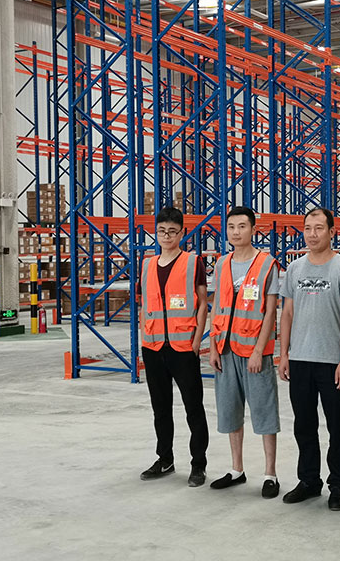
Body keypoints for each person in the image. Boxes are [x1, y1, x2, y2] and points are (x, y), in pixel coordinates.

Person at [278, 208, 340, 511]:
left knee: (337, 427)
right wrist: (284, 354)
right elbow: (287, 313)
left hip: (331, 361)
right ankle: (309, 481)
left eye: (319, 228)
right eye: (308, 228)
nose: (312, 234)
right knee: (304, 425)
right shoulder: (295, 268)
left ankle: (338, 485)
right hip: (299, 359)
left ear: (332, 232)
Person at [208, 207, 281, 498]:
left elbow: (270, 312)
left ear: (253, 229)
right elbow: (217, 306)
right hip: (225, 350)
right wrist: (213, 346)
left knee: (264, 412)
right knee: (230, 411)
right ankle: (236, 470)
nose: (236, 232)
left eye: (242, 226)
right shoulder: (222, 264)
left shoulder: (266, 264)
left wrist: (259, 351)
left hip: (255, 353)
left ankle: (270, 474)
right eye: (231, 227)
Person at [138, 206, 210, 488]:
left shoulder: (193, 262)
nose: (166, 236)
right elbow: (144, 303)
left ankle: (198, 464)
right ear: (156, 233)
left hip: (183, 347)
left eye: (172, 231)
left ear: (182, 233)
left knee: (193, 408)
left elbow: (202, 303)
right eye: (162, 231)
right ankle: (165, 459)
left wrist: (197, 341)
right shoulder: (147, 264)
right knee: (160, 407)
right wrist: (144, 335)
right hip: (153, 346)